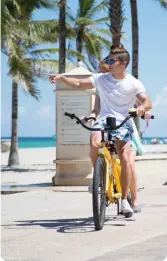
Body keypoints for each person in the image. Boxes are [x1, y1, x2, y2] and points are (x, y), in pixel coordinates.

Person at [49, 42, 152, 216]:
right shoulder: (101, 79)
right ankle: (98, 176)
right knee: (94, 143)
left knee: (125, 158)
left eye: (112, 62)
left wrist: (142, 108)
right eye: (109, 61)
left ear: (123, 64)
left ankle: (125, 201)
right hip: (104, 119)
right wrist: (61, 78)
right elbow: (78, 84)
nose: (108, 64)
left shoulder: (133, 83)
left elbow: (146, 101)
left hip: (122, 120)